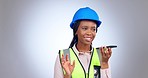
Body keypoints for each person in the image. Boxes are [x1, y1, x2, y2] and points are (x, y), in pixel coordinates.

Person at [54, 7, 112, 78]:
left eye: (93, 29)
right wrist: (67, 76)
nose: (89, 33)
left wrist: (104, 63)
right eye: (85, 28)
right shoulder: (64, 56)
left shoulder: (102, 56)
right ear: (76, 31)